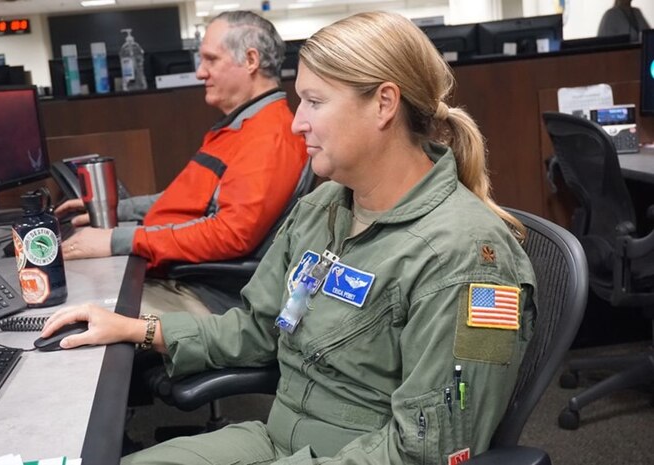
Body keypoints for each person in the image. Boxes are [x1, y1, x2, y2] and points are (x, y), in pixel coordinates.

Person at [42, 11, 537, 465]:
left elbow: (427, 451)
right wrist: (137, 328)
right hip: (279, 441)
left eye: (315, 102)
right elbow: (260, 330)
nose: (297, 122)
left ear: (384, 103)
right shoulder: (325, 208)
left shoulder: (468, 258)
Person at [56, 11, 308, 315]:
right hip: (180, 278)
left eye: (210, 60)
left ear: (251, 60)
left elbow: (229, 234)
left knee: (75, 314)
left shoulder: (269, 136)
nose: (200, 73)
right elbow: (189, 201)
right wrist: (116, 210)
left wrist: (117, 240)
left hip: (203, 294)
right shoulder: (243, 127)